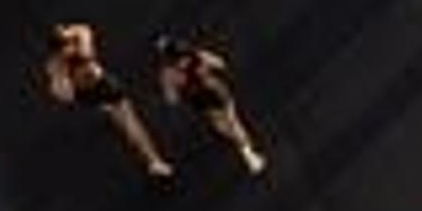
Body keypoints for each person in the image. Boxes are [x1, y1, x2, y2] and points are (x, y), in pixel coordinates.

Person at [43, 23, 173, 181]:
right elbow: (63, 94)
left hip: (100, 87)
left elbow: (86, 44)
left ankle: (153, 161)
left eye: (68, 41)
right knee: (126, 121)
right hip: (91, 92)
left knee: (127, 121)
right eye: (64, 45)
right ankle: (153, 161)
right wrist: (63, 81)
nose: (68, 47)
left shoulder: (78, 40)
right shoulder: (56, 64)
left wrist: (68, 51)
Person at [156, 36, 265, 175]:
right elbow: (220, 63)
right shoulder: (179, 66)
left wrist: (184, 86)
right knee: (225, 126)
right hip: (207, 99)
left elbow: (171, 99)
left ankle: (248, 153)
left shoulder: (173, 70)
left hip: (213, 95)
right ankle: (247, 150)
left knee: (231, 122)